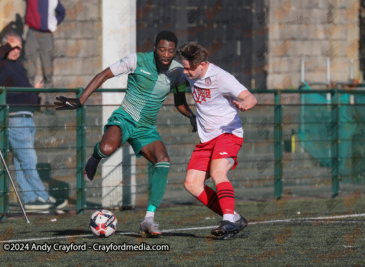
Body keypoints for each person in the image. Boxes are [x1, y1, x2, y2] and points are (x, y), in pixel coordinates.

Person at [55, 31, 196, 236]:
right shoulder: (136, 59)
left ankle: (148, 220)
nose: (166, 54)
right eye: (162, 49)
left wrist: (191, 116)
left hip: (146, 128)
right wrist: (80, 100)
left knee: (163, 161)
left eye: (171, 51)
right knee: (107, 148)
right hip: (125, 119)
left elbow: (179, 102)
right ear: (154, 47)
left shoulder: (177, 72)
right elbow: (104, 74)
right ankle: (96, 157)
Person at [175, 42, 257, 239]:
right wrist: (191, 116)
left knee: (218, 171)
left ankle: (228, 221)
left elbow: (251, 98)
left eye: (189, 68)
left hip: (228, 133)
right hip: (207, 139)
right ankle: (235, 217)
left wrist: (245, 104)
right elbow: (178, 97)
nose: (185, 72)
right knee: (192, 184)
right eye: (184, 67)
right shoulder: (187, 75)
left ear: (202, 65)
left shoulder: (222, 78)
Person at [0, 31, 67, 211]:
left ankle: (30, 199)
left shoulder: (17, 66)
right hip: (15, 118)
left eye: (19, 47)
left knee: (21, 160)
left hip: (27, 117)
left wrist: (33, 90)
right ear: (5, 47)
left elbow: (22, 92)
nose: (17, 50)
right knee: (29, 159)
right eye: (13, 46)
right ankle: (41, 196)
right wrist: (7, 45)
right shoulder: (1, 63)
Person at [23, 0, 66, 104]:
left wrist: (53, 23)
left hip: (46, 35)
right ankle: (29, 101)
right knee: (29, 70)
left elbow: (62, 12)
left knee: (48, 71)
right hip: (32, 33)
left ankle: (49, 103)